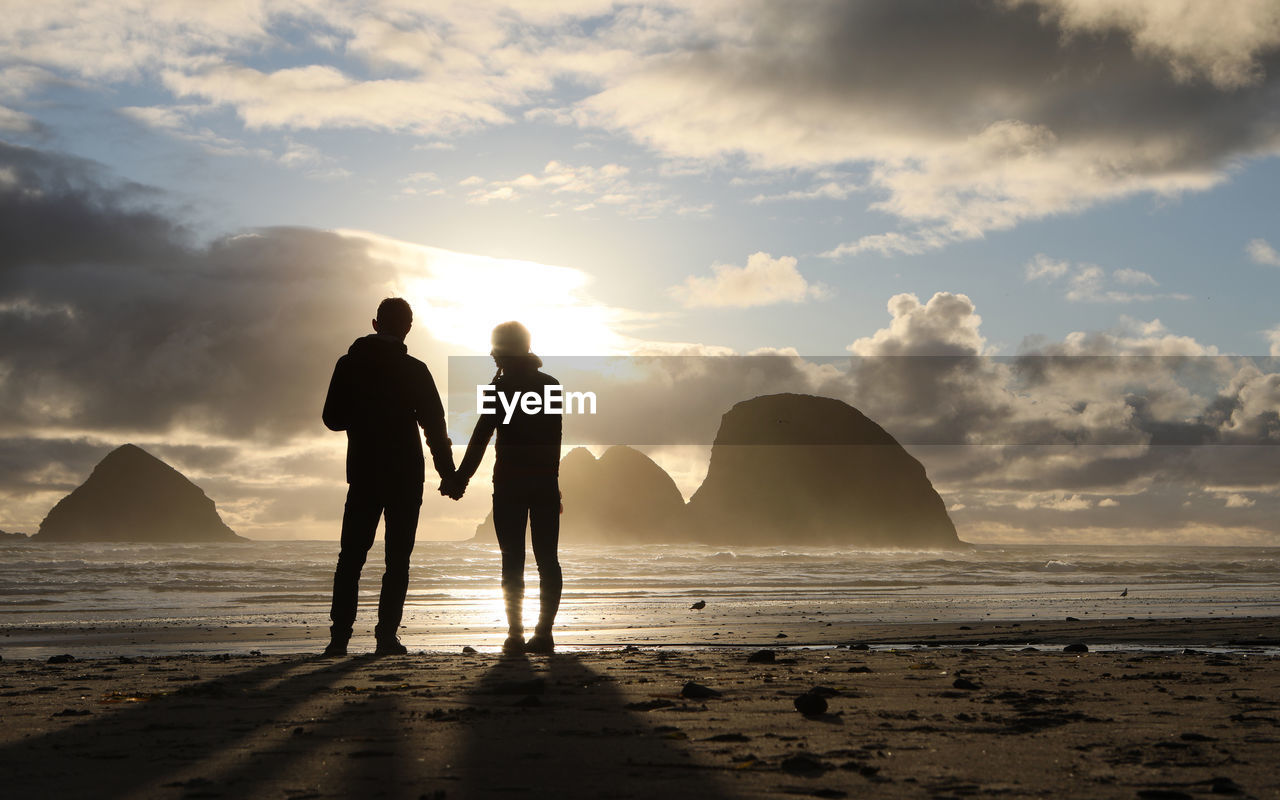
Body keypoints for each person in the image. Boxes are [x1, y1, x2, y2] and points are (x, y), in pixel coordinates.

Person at [321, 297, 455, 656]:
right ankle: (385, 638)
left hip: (364, 470)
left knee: (351, 557)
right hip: (406, 474)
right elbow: (435, 426)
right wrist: (449, 475)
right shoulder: (415, 369)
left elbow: (332, 419)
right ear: (408, 327)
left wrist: (363, 416)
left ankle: (339, 639)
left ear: (376, 323)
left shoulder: (348, 364)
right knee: (398, 560)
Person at [442, 322, 563, 655]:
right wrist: (553, 482)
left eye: (494, 347)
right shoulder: (549, 385)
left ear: (502, 351)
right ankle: (544, 634)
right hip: (543, 484)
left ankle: (515, 634)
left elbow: (481, 439)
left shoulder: (500, 389)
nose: (490, 353)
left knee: (513, 561)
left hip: (510, 484)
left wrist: (459, 479)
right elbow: (554, 440)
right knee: (547, 560)